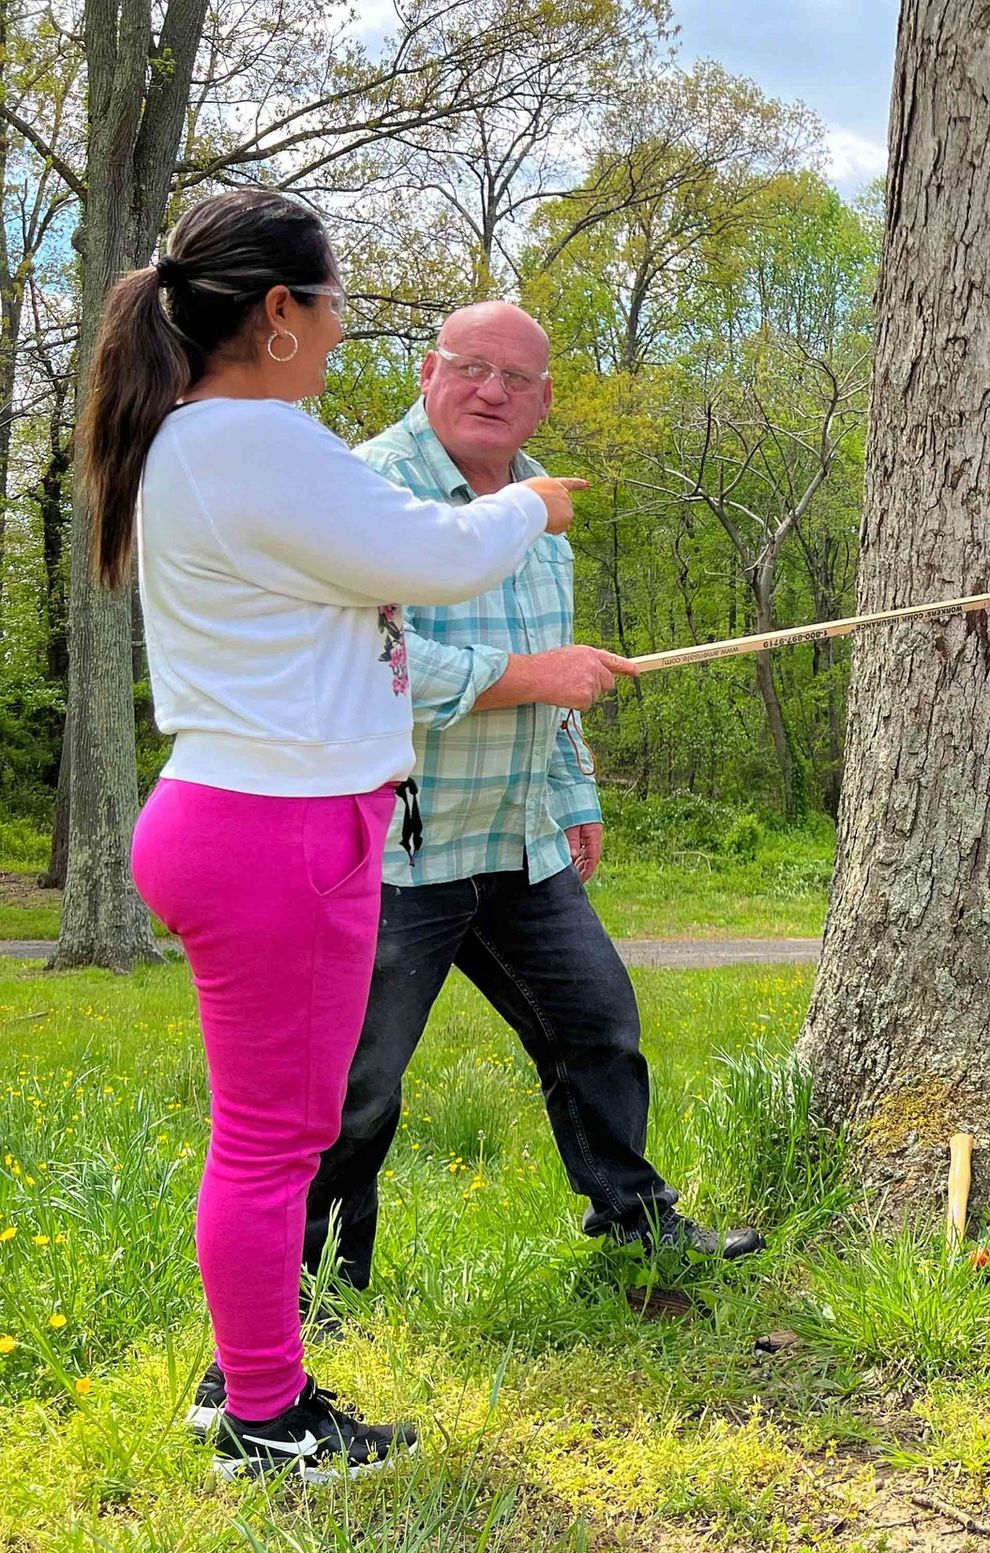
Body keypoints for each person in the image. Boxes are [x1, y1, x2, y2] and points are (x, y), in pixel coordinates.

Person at [178, 304, 762, 1446]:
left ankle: (635, 1224)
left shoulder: (540, 508)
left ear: (543, 398)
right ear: (430, 373)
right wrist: (531, 677)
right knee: (356, 1086)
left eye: (517, 377)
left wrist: (577, 786)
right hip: (398, 844)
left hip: (519, 838)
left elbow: (562, 669)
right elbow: (373, 655)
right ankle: (308, 1301)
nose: (491, 391)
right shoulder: (363, 491)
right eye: (470, 368)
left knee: (598, 1028)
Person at [84, 188, 582, 1481]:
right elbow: (435, 553)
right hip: (275, 831)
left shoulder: (209, 441)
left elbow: (363, 579)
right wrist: (535, 507)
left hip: (244, 814)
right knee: (275, 1141)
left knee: (267, 1133)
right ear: (281, 312)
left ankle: (246, 1386)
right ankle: (265, 1420)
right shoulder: (256, 439)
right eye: (339, 302)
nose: (345, 328)